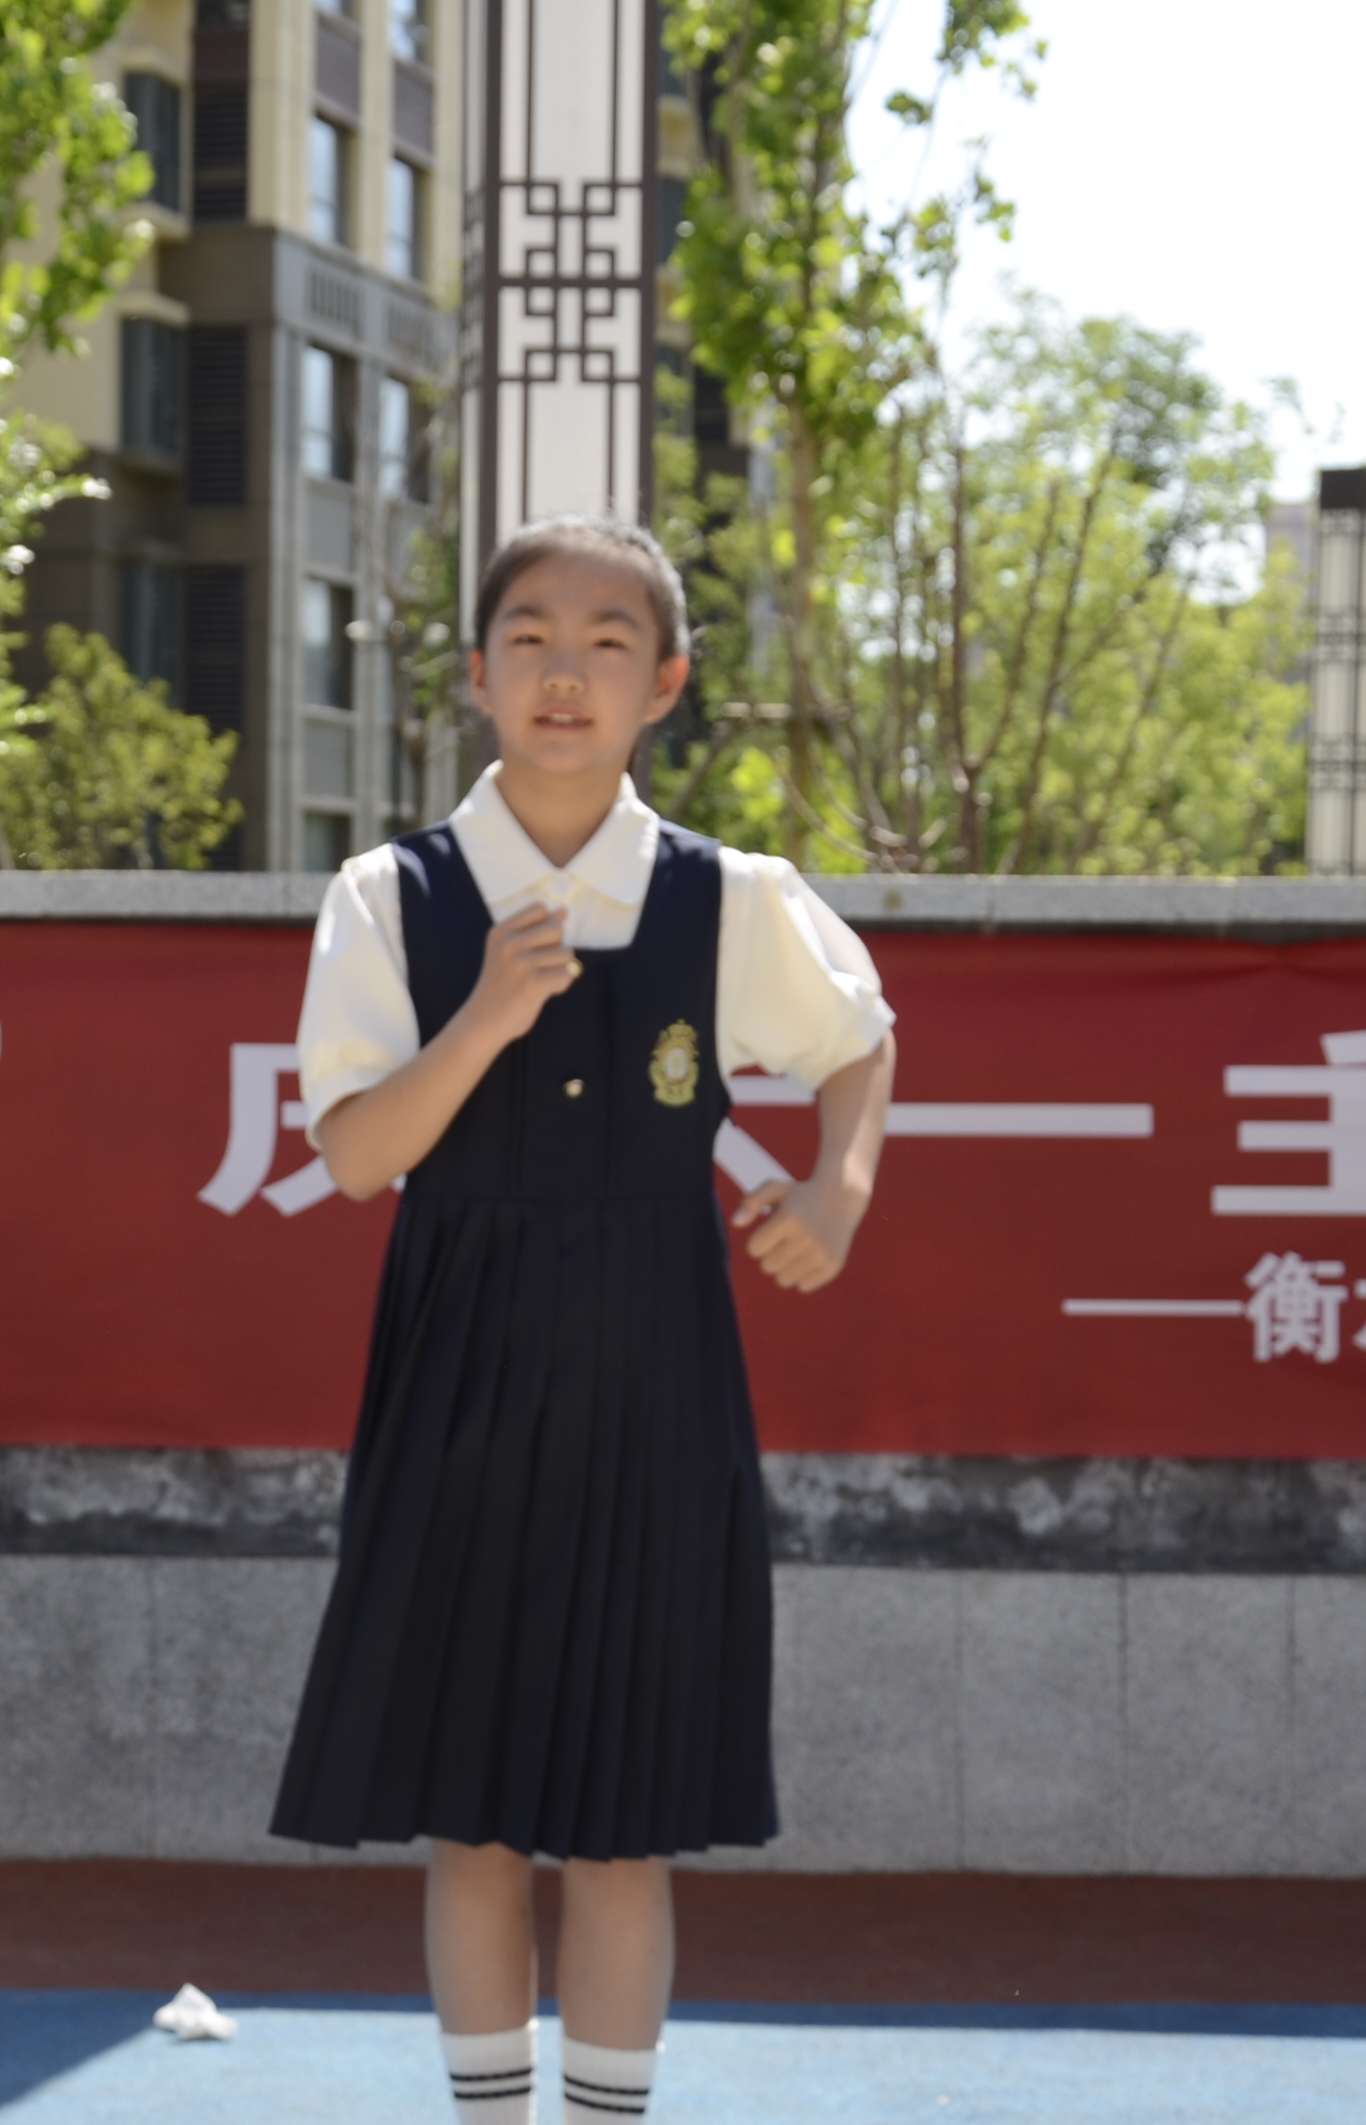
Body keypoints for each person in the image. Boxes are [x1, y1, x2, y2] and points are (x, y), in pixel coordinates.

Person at [268, 514, 897, 2125]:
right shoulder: (390, 896)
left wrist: (838, 1193)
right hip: (457, 1377)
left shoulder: (728, 896)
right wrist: (486, 1014)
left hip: (657, 1375)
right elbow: (357, 1157)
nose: (566, 672)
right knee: (474, 1818)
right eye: (531, 639)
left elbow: (858, 1039)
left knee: (625, 1825)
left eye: (608, 643)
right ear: (477, 674)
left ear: (664, 684)